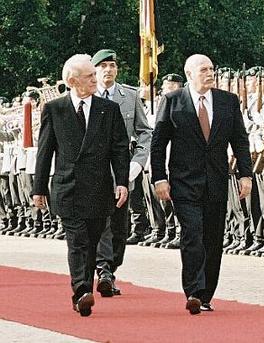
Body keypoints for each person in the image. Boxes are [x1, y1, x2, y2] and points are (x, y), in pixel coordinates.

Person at [150, 54, 252, 315]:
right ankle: (194, 291)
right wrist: (159, 178)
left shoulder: (227, 101)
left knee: (213, 238)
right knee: (192, 233)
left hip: (216, 181)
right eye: (203, 70)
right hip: (184, 183)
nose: (209, 73)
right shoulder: (173, 101)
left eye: (211, 69)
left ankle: (207, 293)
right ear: (189, 74)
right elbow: (159, 144)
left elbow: (239, 140)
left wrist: (245, 175)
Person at [32, 54, 129, 316]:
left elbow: (119, 149)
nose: (95, 79)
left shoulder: (108, 109)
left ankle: (84, 285)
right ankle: (82, 291)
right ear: (73, 81)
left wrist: (122, 182)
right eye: (89, 76)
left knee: (93, 240)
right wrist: (38, 188)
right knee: (77, 242)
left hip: (99, 188)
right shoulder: (55, 109)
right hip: (69, 187)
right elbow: (45, 151)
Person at [91, 49, 152, 296]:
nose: (108, 70)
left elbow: (145, 132)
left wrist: (137, 163)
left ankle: (111, 268)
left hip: (123, 172)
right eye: (103, 66)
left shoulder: (130, 96)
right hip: (95, 172)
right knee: (101, 222)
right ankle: (103, 270)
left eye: (112, 65)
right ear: (95, 70)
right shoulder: (88, 95)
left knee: (119, 226)